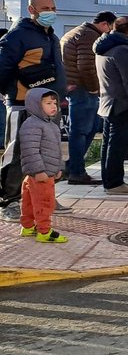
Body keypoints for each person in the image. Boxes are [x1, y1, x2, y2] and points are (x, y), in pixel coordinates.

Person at [0, 0, 69, 223]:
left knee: (46, 153)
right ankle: (10, 200)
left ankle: (43, 197)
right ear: (32, 9)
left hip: (49, 105)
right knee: (18, 152)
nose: (51, 11)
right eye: (45, 8)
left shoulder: (51, 35)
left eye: (53, 7)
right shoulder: (17, 36)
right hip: (22, 103)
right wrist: (11, 91)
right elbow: (3, 67)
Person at [60, 11, 115, 184]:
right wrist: (94, 88)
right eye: (111, 27)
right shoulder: (89, 36)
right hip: (82, 88)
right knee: (81, 130)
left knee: (89, 128)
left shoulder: (78, 32)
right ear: (105, 24)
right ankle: (76, 171)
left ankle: (71, 167)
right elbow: (86, 65)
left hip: (74, 85)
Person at [94, 16, 128, 194]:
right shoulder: (121, 50)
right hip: (120, 103)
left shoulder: (103, 47)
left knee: (108, 144)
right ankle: (114, 183)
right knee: (117, 146)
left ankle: (110, 181)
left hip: (108, 101)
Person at [17, 87, 68, 242]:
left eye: (55, 103)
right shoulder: (32, 125)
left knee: (29, 200)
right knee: (44, 202)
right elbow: (30, 150)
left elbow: (56, 149)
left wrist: (59, 167)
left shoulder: (50, 125)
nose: (53, 106)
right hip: (41, 173)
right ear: (35, 105)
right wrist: (38, 170)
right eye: (48, 103)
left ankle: (27, 227)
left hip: (45, 171)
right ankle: (44, 231)